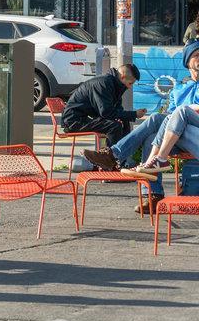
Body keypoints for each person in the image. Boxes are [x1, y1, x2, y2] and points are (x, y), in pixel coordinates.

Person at [84, 41, 199, 213]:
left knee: (175, 114)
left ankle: (114, 154)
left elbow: (176, 115)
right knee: (151, 138)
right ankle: (153, 195)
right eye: (196, 56)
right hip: (179, 138)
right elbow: (168, 119)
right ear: (188, 61)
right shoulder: (179, 89)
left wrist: (185, 112)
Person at [61, 64, 144, 148]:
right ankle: (110, 157)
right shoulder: (104, 84)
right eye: (130, 83)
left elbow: (118, 110)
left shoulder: (115, 85)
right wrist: (134, 114)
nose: (130, 87)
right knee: (114, 126)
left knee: (124, 121)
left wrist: (128, 116)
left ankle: (122, 155)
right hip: (73, 121)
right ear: (122, 77)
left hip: (84, 118)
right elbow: (106, 112)